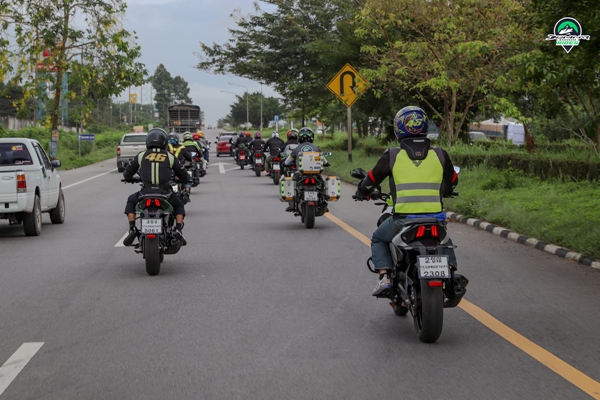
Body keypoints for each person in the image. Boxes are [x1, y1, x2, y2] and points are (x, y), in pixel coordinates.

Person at [354, 106, 458, 296]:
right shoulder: (440, 154)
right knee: (444, 240)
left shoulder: (392, 155)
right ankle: (451, 273)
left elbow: (371, 180)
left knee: (378, 238)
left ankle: (384, 276)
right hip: (435, 219)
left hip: (403, 220)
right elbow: (452, 181)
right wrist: (447, 190)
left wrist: (362, 192)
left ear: (398, 127)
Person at [122, 128, 189, 246]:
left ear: (147, 141)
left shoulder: (142, 155)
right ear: (165, 142)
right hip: (165, 194)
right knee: (179, 205)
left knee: (131, 201)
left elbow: (127, 173)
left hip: (145, 194)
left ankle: (132, 228)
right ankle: (178, 229)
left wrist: (129, 178)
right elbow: (184, 175)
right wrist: (185, 179)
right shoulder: (170, 156)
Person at [283, 127, 329, 212]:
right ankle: (323, 201)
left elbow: (289, 160)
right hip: (315, 173)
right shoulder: (316, 148)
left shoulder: (297, 148)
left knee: (292, 184)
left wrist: (285, 164)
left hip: (300, 173)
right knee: (322, 185)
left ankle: (292, 205)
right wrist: (326, 163)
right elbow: (323, 159)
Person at [167, 133, 192, 202]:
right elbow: (189, 157)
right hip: (179, 168)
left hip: (168, 169)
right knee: (188, 178)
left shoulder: (166, 147)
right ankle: (186, 193)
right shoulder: (182, 148)